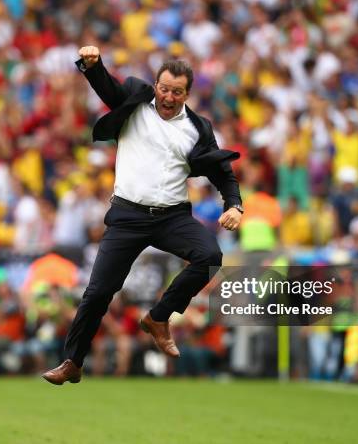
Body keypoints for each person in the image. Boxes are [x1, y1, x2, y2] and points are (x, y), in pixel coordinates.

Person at [42, 46, 243, 385]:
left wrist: (234, 204)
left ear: (187, 94)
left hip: (171, 216)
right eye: (164, 88)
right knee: (98, 292)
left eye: (176, 91)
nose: (168, 96)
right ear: (156, 85)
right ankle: (73, 362)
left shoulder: (197, 127)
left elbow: (221, 170)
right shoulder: (136, 100)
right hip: (127, 215)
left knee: (210, 254)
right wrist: (93, 66)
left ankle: (159, 318)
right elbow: (108, 88)